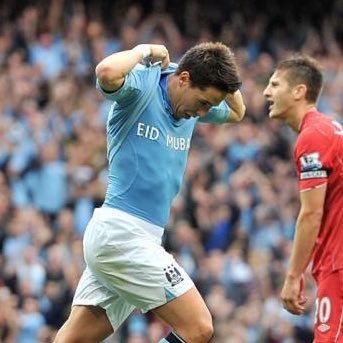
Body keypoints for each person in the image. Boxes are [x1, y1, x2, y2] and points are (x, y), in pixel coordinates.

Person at [54, 42, 245, 343]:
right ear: (183, 79)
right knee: (199, 327)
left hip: (136, 239)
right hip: (121, 233)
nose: (203, 112)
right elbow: (106, 72)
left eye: (209, 106)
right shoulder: (144, 86)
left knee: (72, 340)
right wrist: (145, 49)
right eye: (204, 102)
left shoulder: (190, 108)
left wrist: (221, 66)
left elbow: (237, 111)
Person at [264, 55, 343, 342]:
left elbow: (311, 214)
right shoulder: (329, 129)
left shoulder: (313, 136)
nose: (266, 92)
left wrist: (292, 276)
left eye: (275, 84)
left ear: (299, 91)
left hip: (338, 261)